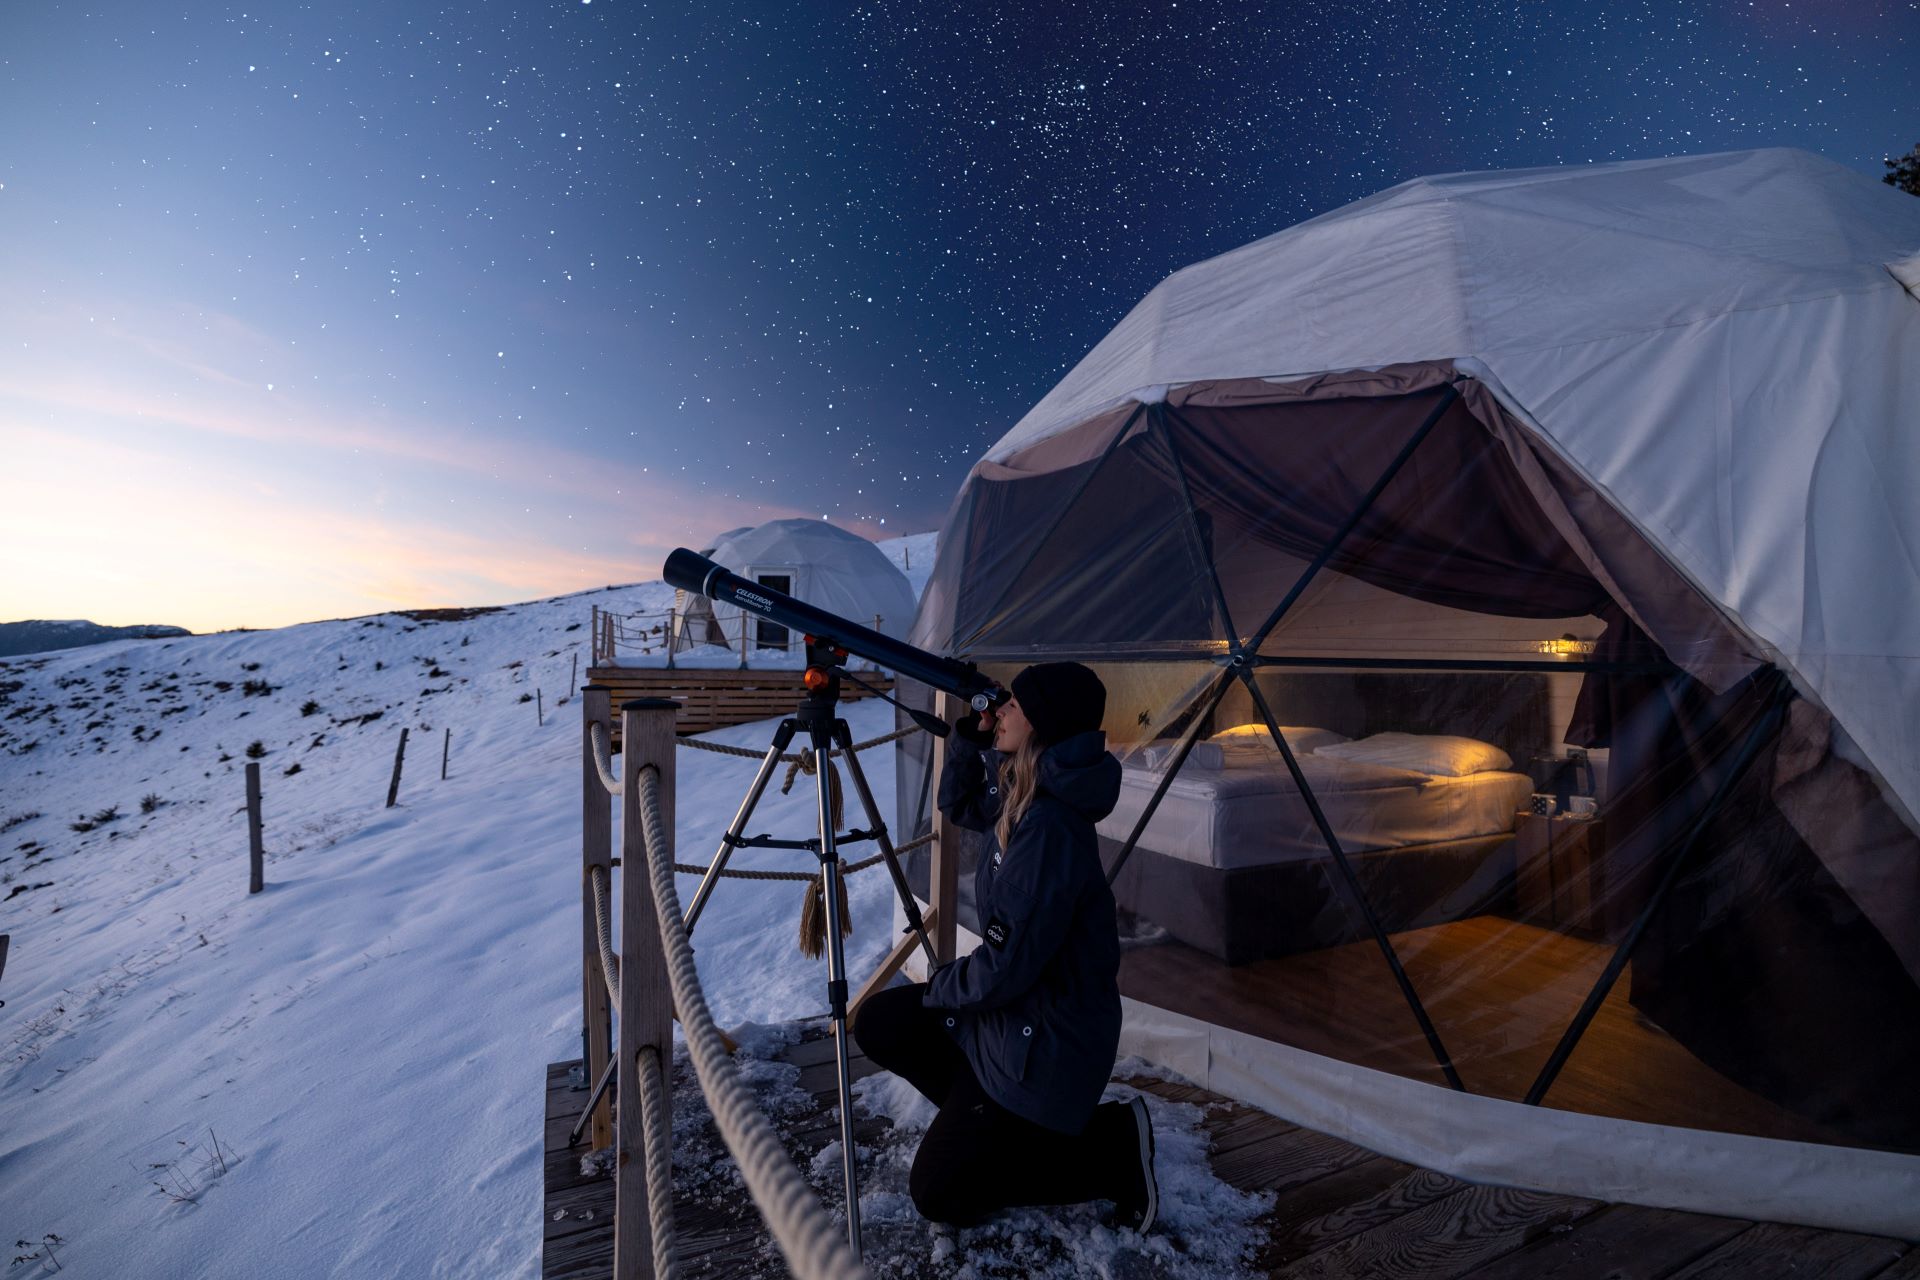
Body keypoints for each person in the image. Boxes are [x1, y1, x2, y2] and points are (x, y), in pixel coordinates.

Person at [852, 661, 1157, 1231]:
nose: (1004, 711)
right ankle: (985, 1125)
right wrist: (972, 738)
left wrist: (942, 984)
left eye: (1015, 705)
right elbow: (961, 806)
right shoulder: (1031, 788)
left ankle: (1109, 1148)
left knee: (939, 1193)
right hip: (1008, 1025)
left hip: (1041, 1045)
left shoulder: (1048, 828)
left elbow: (1002, 971)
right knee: (881, 1022)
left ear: (1043, 724)